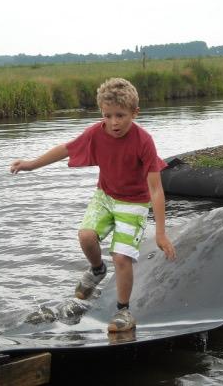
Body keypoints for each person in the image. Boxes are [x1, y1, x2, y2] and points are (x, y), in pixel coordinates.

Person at [10, 77, 176, 333]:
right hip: (105, 196)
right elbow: (66, 149)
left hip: (134, 203)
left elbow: (155, 188)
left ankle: (123, 311)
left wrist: (161, 233)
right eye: (108, 116)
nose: (114, 122)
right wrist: (31, 164)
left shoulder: (143, 140)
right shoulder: (96, 132)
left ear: (135, 112)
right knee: (86, 236)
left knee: (121, 256)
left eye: (120, 115)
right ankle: (97, 270)